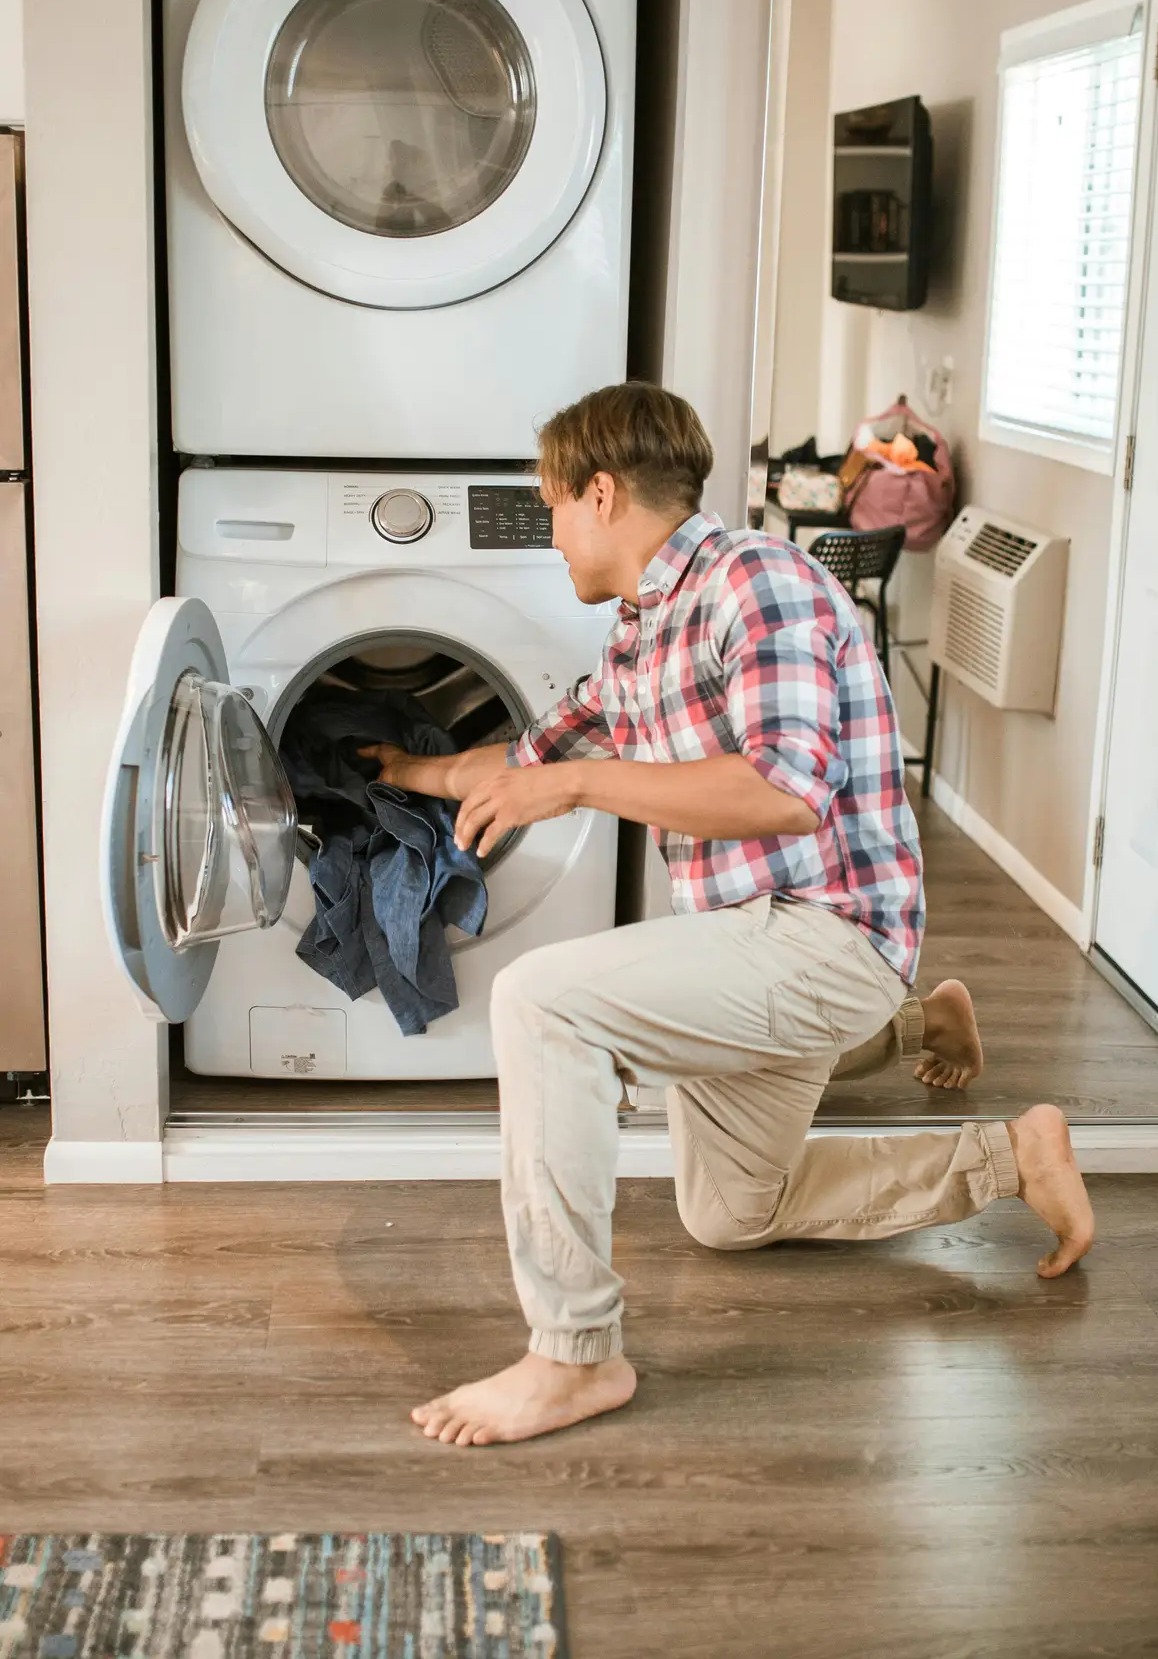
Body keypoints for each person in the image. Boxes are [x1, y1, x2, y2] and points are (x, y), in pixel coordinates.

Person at [361, 384, 1094, 1449]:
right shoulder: (637, 632)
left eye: (552, 506)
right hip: (753, 944)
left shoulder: (759, 583)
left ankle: (572, 1356)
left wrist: (575, 788)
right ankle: (995, 1143)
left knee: (542, 1004)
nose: (550, 529)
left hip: (821, 934)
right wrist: (404, 770)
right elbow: (527, 759)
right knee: (728, 1213)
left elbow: (782, 789)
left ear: (600, 495)